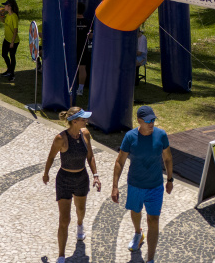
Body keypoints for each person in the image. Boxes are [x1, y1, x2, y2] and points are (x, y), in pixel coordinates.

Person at [111, 106, 173, 263]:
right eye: (148, 121)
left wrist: (170, 179)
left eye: (153, 120)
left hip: (155, 186)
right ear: (139, 121)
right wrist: (115, 186)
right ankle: (138, 233)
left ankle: (150, 259)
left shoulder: (161, 135)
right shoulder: (130, 137)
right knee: (135, 211)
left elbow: (167, 158)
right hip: (135, 185)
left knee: (153, 220)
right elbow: (120, 161)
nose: (151, 123)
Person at [43, 107, 101, 263]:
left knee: (80, 209)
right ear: (74, 121)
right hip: (64, 180)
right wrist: (46, 173)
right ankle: (61, 255)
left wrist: (95, 175)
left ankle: (80, 225)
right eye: (83, 119)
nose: (86, 121)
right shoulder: (60, 138)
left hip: (81, 178)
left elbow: (90, 156)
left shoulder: (85, 134)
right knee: (64, 219)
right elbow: (51, 157)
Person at [0, 0, 20, 80]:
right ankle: (9, 70)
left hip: (13, 41)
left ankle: (12, 74)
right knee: (4, 54)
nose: (4, 7)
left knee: (12, 56)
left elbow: (15, 30)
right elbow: (4, 22)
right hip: (6, 39)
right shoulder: (8, 15)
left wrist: (12, 42)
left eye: (5, 5)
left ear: (9, 7)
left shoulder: (14, 16)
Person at [76, 2, 92, 96]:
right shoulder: (88, 22)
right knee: (82, 68)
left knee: (70, 67)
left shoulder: (71, 21)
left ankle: (70, 87)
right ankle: (80, 89)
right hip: (83, 47)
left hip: (72, 48)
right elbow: (91, 35)